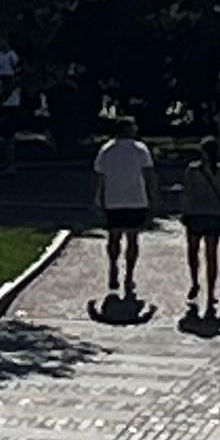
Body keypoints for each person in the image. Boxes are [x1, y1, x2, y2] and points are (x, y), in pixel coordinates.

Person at [92, 122, 156, 305]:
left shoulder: (106, 150)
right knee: (132, 239)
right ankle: (129, 275)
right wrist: (153, 197)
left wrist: (98, 198)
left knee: (113, 237)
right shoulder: (140, 149)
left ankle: (113, 267)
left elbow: (99, 176)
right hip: (136, 199)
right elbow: (149, 174)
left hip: (113, 199)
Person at [176, 136, 220, 327]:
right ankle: (211, 294)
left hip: (195, 216)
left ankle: (195, 282)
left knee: (193, 252)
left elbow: (187, 194)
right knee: (212, 256)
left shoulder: (192, 170)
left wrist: (184, 212)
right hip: (214, 217)